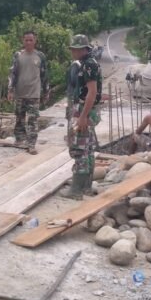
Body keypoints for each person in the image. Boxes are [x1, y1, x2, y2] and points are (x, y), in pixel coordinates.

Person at [61, 34, 102, 200]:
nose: (73, 52)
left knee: (79, 149)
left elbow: (92, 92)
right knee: (88, 149)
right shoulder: (89, 63)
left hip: (85, 109)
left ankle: (76, 190)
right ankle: (86, 187)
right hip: (88, 110)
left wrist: (83, 116)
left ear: (84, 49)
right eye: (72, 49)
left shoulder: (88, 65)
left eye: (76, 49)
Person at [7, 31, 49, 155]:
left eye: (31, 40)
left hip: (34, 94)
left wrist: (46, 91)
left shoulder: (40, 56)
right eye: (26, 40)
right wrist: (10, 90)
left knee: (32, 120)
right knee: (19, 118)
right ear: (23, 40)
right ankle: (20, 140)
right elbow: (13, 73)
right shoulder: (18, 55)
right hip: (20, 93)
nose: (29, 42)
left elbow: (44, 75)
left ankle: (31, 145)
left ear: (35, 41)